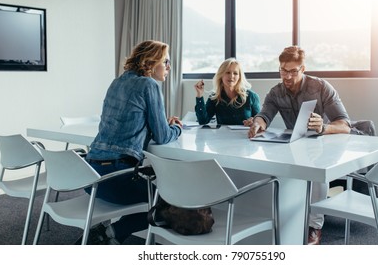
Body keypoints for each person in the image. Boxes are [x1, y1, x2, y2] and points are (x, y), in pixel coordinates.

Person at [248, 46, 351, 245]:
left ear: (303, 69)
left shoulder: (321, 87)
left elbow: (345, 125)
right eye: (283, 70)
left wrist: (323, 127)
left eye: (293, 71)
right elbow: (265, 114)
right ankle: (283, 217)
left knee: (316, 168)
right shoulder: (276, 92)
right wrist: (257, 123)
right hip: (297, 145)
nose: (287, 76)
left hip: (325, 145)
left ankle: (315, 227)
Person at [83, 40, 182, 244]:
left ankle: (103, 235)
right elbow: (162, 136)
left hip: (90, 174)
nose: (169, 67)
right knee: (169, 203)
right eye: (166, 61)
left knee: (154, 195)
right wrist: (177, 128)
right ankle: (111, 233)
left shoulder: (116, 82)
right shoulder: (149, 84)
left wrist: (163, 123)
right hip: (116, 176)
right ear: (151, 62)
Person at [194, 58, 260, 126]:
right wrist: (199, 95)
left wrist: (254, 121)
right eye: (228, 72)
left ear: (239, 77)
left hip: (245, 136)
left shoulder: (252, 97)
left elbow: (259, 121)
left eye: (235, 73)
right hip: (222, 136)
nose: (231, 76)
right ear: (221, 75)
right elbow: (203, 121)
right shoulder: (214, 97)